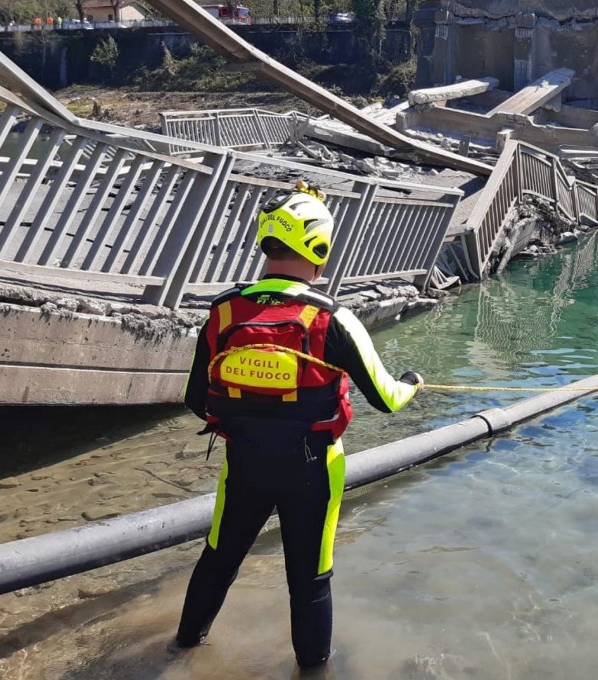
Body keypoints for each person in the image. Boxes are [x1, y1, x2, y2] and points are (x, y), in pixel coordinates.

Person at [174, 182, 424, 669]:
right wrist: (414, 382)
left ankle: (181, 649)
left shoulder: (224, 310)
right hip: (312, 470)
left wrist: (252, 419)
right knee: (309, 580)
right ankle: (313, 670)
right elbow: (387, 400)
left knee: (219, 559)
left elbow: (196, 401)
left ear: (265, 242)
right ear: (320, 248)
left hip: (242, 464)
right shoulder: (333, 318)